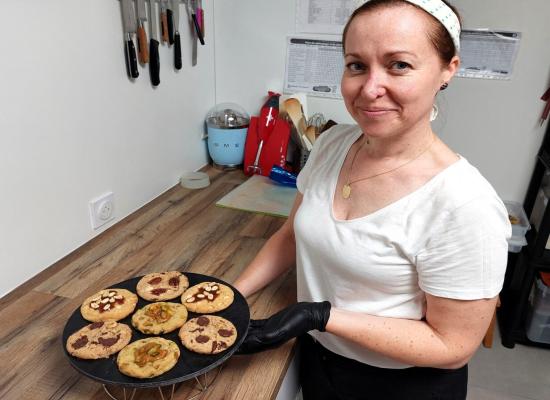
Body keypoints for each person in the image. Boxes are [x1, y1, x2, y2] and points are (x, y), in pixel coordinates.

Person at [233, 0, 511, 399]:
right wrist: (231, 299)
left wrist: (319, 315)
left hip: (400, 384)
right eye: (356, 65)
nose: (369, 88)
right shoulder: (332, 144)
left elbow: (453, 347)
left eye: (399, 65)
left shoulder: (464, 205)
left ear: (448, 70)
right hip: (319, 357)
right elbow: (291, 236)